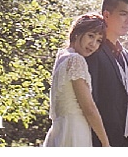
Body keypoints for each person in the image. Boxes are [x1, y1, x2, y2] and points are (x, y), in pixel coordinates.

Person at [44, 14, 110, 147]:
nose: (93, 44)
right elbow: (89, 108)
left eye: (98, 40)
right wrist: (105, 143)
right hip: (74, 131)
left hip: (59, 130)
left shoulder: (62, 56)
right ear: (77, 32)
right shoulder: (75, 60)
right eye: (91, 36)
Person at [85, 0, 128, 146]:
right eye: (123, 14)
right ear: (107, 15)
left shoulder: (126, 55)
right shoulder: (93, 53)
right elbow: (90, 104)